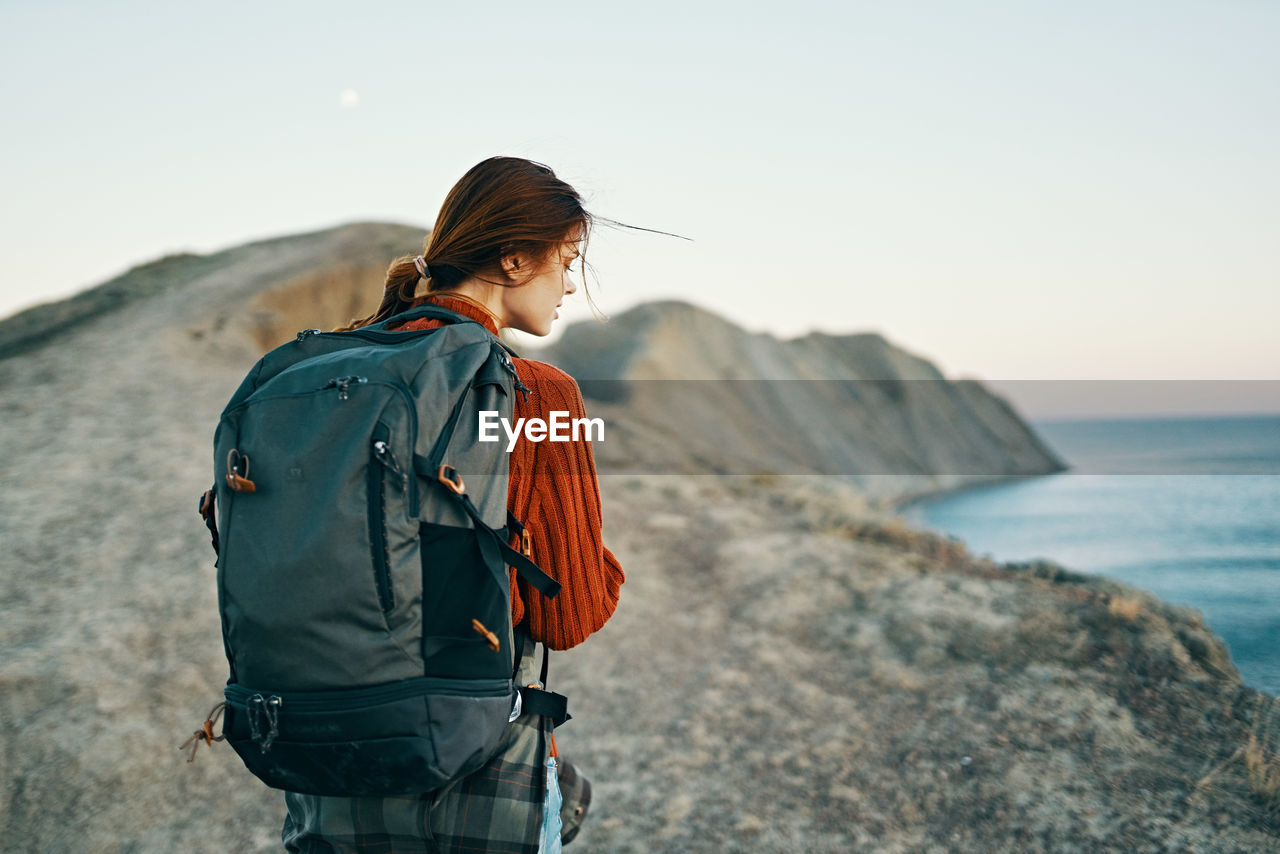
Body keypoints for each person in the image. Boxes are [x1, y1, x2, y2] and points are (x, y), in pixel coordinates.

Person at [281, 157, 625, 853]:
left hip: (321, 764)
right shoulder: (536, 394)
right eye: (567, 260)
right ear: (515, 256)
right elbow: (572, 612)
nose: (568, 285)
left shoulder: (320, 376)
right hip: (465, 766)